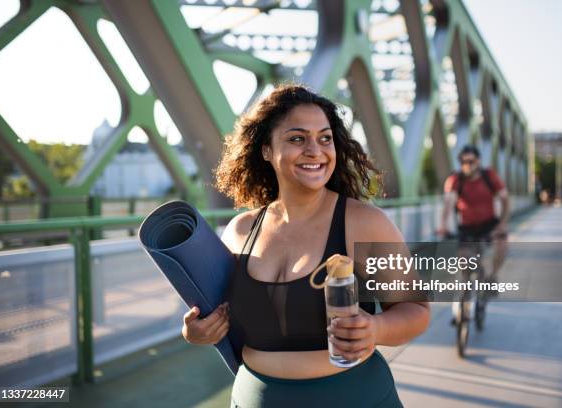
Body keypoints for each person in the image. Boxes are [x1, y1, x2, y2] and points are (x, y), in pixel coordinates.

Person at [181, 84, 430, 407]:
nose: (315, 150)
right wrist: (197, 332)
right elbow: (216, 315)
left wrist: (376, 327)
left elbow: (416, 310)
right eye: (297, 138)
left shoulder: (365, 223)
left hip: (354, 398)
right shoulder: (240, 231)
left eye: (324, 138)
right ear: (266, 150)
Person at [438, 144, 510, 291]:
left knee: (502, 245)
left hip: (489, 223)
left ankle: (492, 277)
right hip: (467, 227)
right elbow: (449, 203)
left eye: (471, 162)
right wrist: (443, 224)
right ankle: (462, 310)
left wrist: (502, 223)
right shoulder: (456, 180)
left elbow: (505, 199)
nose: (467, 166)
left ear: (478, 161)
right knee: (464, 263)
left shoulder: (489, 176)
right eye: (463, 162)